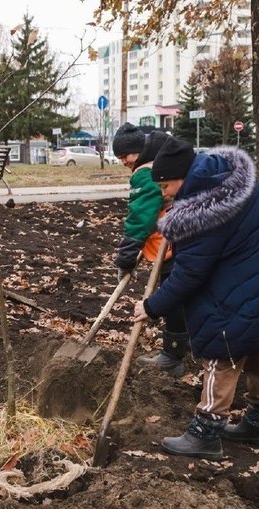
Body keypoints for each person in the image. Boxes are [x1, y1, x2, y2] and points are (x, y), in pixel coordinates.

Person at [134, 137, 259, 460]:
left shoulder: (201, 212)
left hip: (258, 281)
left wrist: (150, 307)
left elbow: (189, 274)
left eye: (165, 185)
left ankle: (206, 432)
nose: (163, 194)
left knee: (224, 345)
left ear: (183, 176)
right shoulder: (226, 176)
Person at [111, 123, 189, 375]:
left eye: (126, 155)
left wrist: (126, 257)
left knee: (174, 296)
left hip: (174, 243)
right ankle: (184, 346)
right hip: (177, 238)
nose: (124, 161)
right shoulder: (157, 160)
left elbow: (140, 217)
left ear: (140, 150)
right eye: (120, 157)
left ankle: (173, 356)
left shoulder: (145, 172)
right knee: (180, 296)